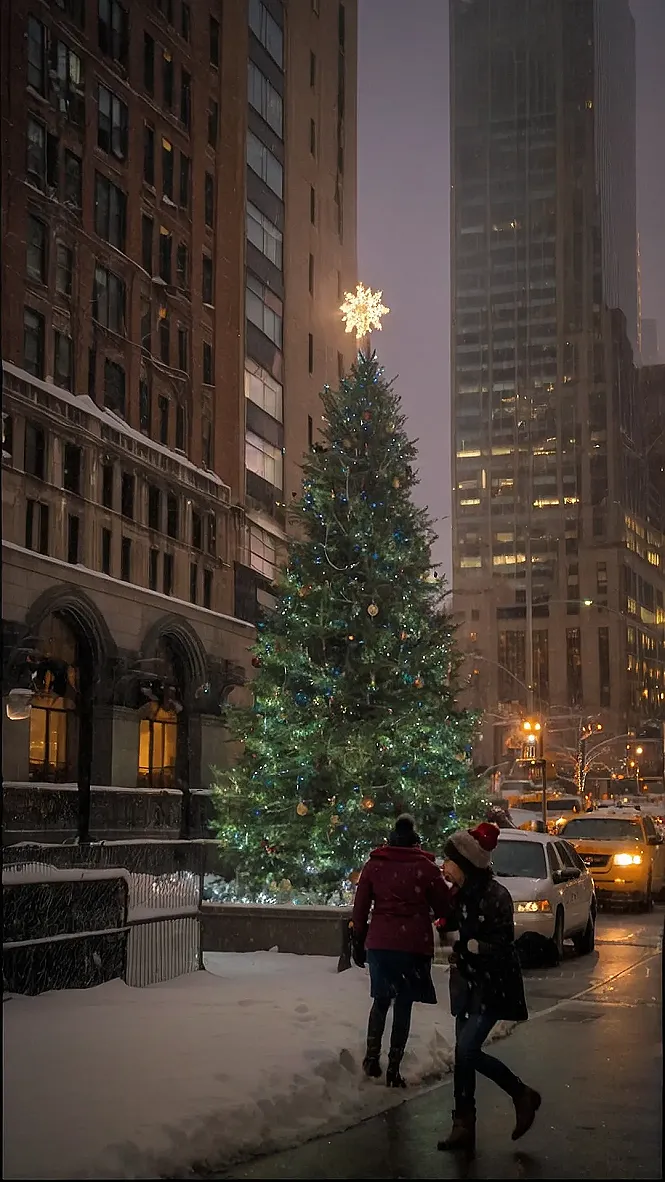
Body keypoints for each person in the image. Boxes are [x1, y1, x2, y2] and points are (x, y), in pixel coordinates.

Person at [438, 822, 541, 1153]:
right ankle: (463, 1125)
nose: (444, 867)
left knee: (466, 1051)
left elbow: (501, 944)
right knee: (462, 1056)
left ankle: (520, 1094)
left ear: (466, 863)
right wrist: (445, 933)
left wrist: (469, 946)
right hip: (466, 984)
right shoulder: (460, 895)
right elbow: (451, 927)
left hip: (492, 985)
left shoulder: (497, 896)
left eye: (450, 861)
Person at [351, 814, 453, 1087]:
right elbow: (444, 906)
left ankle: (372, 1058)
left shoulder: (375, 865)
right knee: (403, 1005)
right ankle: (394, 1068)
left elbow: (360, 907)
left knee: (381, 1000)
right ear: (415, 841)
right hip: (412, 945)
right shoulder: (425, 868)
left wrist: (358, 938)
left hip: (381, 943)